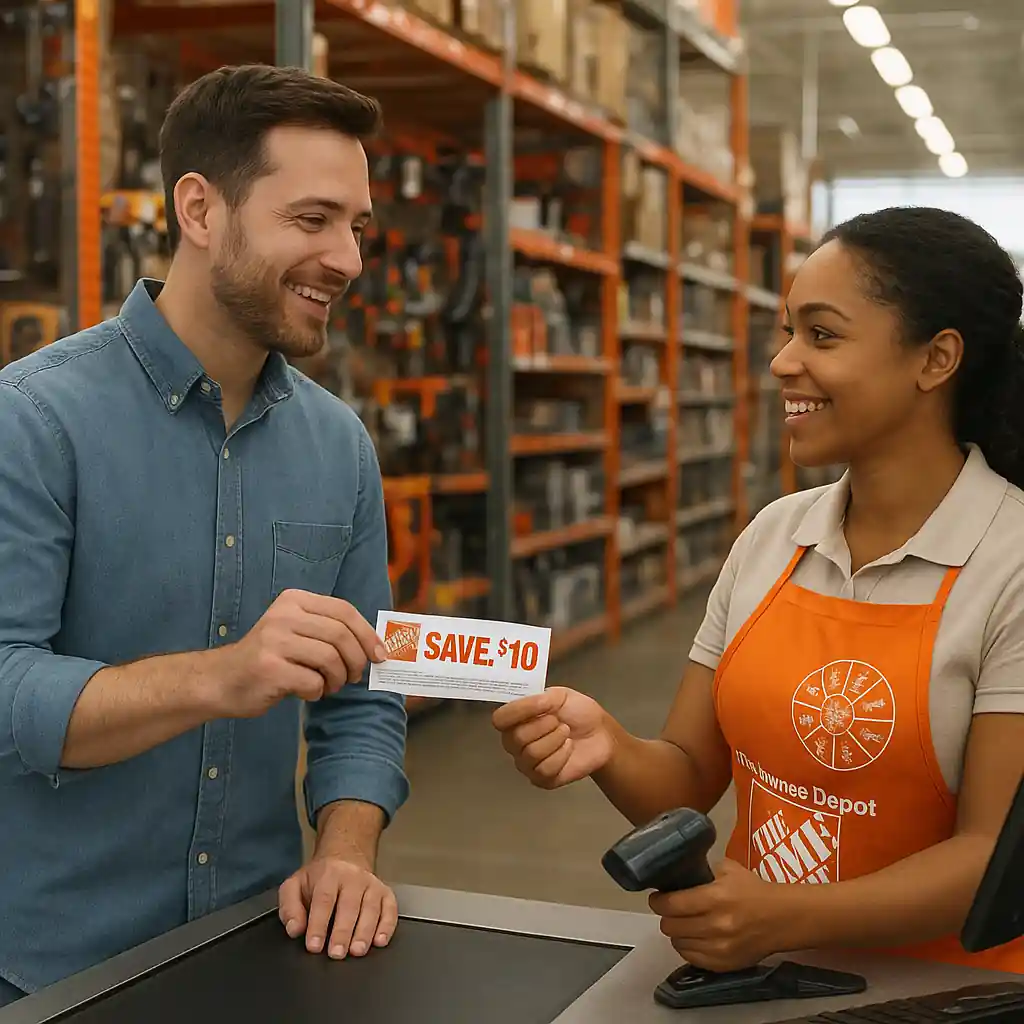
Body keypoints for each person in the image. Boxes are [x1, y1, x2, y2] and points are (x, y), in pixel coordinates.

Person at [494, 206, 1024, 974]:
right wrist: (606, 744)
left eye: (822, 334)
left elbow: (993, 859)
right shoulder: (776, 536)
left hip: (947, 993)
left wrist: (784, 915)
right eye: (787, 331)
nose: (781, 362)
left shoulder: (1008, 565)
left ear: (935, 359)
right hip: (764, 982)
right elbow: (685, 777)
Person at [0, 65, 408, 1006]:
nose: (346, 259)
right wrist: (221, 675)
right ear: (199, 209)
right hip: (51, 972)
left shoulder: (338, 446)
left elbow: (365, 694)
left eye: (357, 228)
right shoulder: (35, 421)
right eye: (312, 221)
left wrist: (345, 853)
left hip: (252, 949)